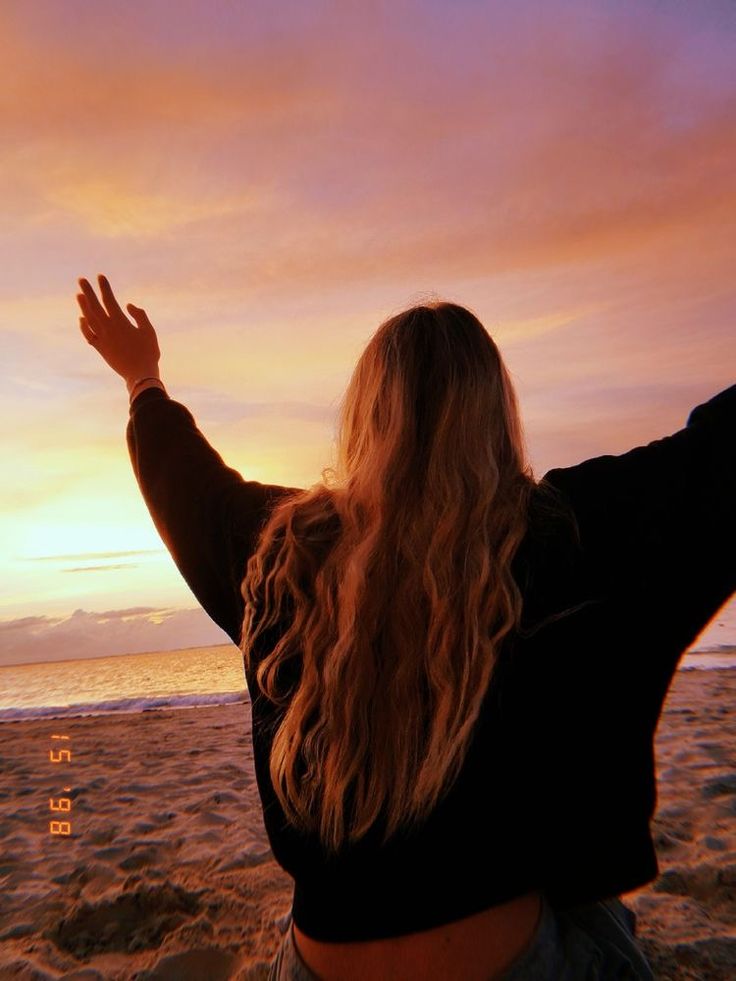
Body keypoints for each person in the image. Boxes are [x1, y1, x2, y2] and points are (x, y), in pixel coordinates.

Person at [76, 274, 735, 979]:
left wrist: (141, 377)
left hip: (319, 967)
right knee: (599, 916)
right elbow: (718, 458)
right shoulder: (568, 532)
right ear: (495, 414)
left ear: (364, 418)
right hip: (515, 963)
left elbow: (189, 488)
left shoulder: (285, 556)